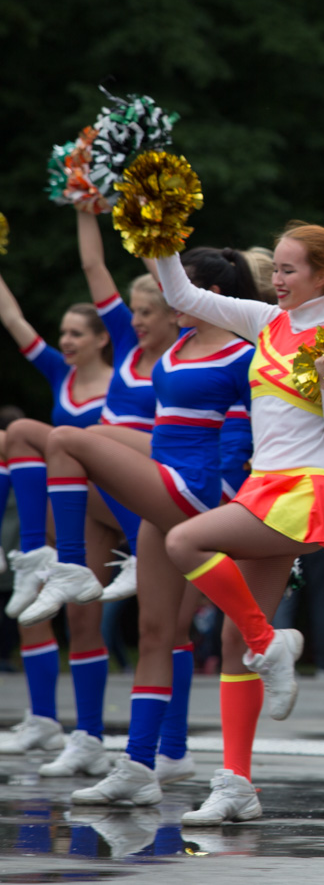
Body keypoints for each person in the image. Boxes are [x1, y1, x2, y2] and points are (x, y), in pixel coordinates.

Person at [152, 221, 324, 825]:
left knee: (185, 540)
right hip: (262, 486)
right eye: (274, 269)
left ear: (321, 276)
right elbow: (184, 296)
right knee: (229, 639)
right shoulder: (265, 323)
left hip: (307, 490)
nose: (275, 280)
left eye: (288, 270)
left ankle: (267, 641)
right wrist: (159, 230)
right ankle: (238, 785)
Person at [49, 248, 257, 806]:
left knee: (66, 439)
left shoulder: (245, 354)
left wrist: (240, 498)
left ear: (212, 291)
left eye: (184, 284)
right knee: (156, 634)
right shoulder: (180, 344)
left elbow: (253, 433)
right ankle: (140, 766)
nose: (172, 296)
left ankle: (69, 566)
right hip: (163, 479)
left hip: (196, 488)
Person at [0, 221, 119, 757]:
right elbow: (10, 316)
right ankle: (43, 718)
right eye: (63, 333)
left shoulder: (124, 382)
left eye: (76, 333)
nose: (64, 341)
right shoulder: (58, 373)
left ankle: (89, 734)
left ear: (101, 339)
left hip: (105, 505)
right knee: (35, 609)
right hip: (60, 505)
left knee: (83, 619)